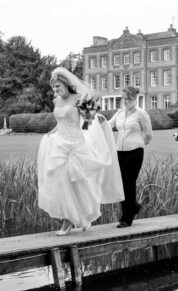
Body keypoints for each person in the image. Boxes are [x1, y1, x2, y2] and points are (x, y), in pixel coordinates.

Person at [38, 67, 124, 236]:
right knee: (62, 184)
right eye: (54, 87)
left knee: (79, 183)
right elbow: (60, 121)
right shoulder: (57, 101)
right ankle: (72, 219)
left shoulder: (79, 99)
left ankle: (76, 219)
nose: (55, 90)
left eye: (58, 86)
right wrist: (51, 133)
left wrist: (90, 122)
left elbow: (87, 121)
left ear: (66, 84)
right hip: (59, 144)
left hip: (75, 144)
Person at [109, 86, 153, 228]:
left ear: (135, 98)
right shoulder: (120, 113)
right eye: (123, 99)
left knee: (129, 183)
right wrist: (93, 118)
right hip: (119, 152)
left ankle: (127, 218)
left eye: (128, 99)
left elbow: (148, 134)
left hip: (134, 152)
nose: (125, 101)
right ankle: (133, 207)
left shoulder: (141, 114)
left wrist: (139, 145)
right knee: (121, 184)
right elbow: (108, 125)